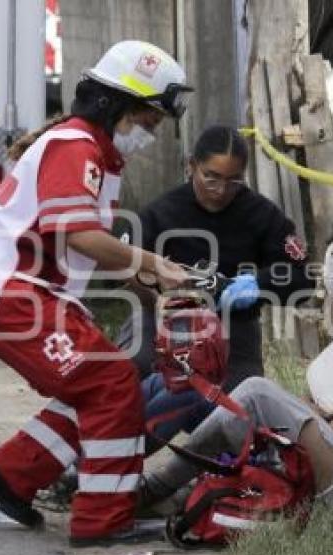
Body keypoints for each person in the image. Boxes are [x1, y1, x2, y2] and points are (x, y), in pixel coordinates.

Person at [0, 40, 193, 547]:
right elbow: (80, 236)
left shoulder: (92, 153)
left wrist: (137, 284)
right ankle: (103, 521)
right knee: (113, 384)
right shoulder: (76, 147)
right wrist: (154, 266)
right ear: (116, 106)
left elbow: (79, 241)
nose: (150, 134)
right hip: (14, 296)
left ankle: (9, 476)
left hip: (20, 294)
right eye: (147, 121)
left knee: (95, 385)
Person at [139, 213, 333, 506]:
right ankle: (171, 492)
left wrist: (299, 425)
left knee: (256, 392)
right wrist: (310, 419)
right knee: (251, 418)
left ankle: (156, 487)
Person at [122, 125, 314, 453]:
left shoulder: (261, 215)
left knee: (239, 406)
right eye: (211, 177)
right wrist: (155, 289)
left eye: (233, 180)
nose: (221, 189)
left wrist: (258, 284)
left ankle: (198, 474)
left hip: (232, 328)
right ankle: (104, 456)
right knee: (122, 373)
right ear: (190, 166)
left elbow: (301, 276)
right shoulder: (160, 213)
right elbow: (123, 270)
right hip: (164, 320)